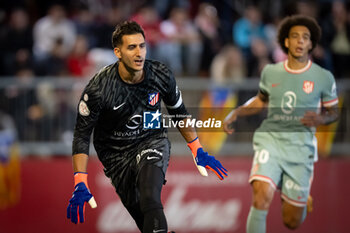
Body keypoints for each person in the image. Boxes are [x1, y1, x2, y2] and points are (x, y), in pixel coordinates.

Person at [66, 21, 227, 233]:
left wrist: (197, 149)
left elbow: (179, 113)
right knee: (145, 221)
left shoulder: (160, 75)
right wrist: (80, 181)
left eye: (142, 46)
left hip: (151, 140)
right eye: (131, 47)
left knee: (150, 196)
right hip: (116, 156)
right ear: (118, 52)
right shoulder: (98, 89)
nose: (139, 52)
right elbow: (81, 136)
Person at [223, 15, 339, 233]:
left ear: (311, 44)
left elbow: (333, 112)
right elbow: (261, 100)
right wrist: (237, 112)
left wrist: (322, 118)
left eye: (305, 37)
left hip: (301, 147)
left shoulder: (323, 77)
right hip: (271, 141)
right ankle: (277, 181)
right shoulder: (271, 72)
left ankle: (298, 194)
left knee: (291, 221)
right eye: (294, 36)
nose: (300, 41)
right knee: (261, 197)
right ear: (286, 42)